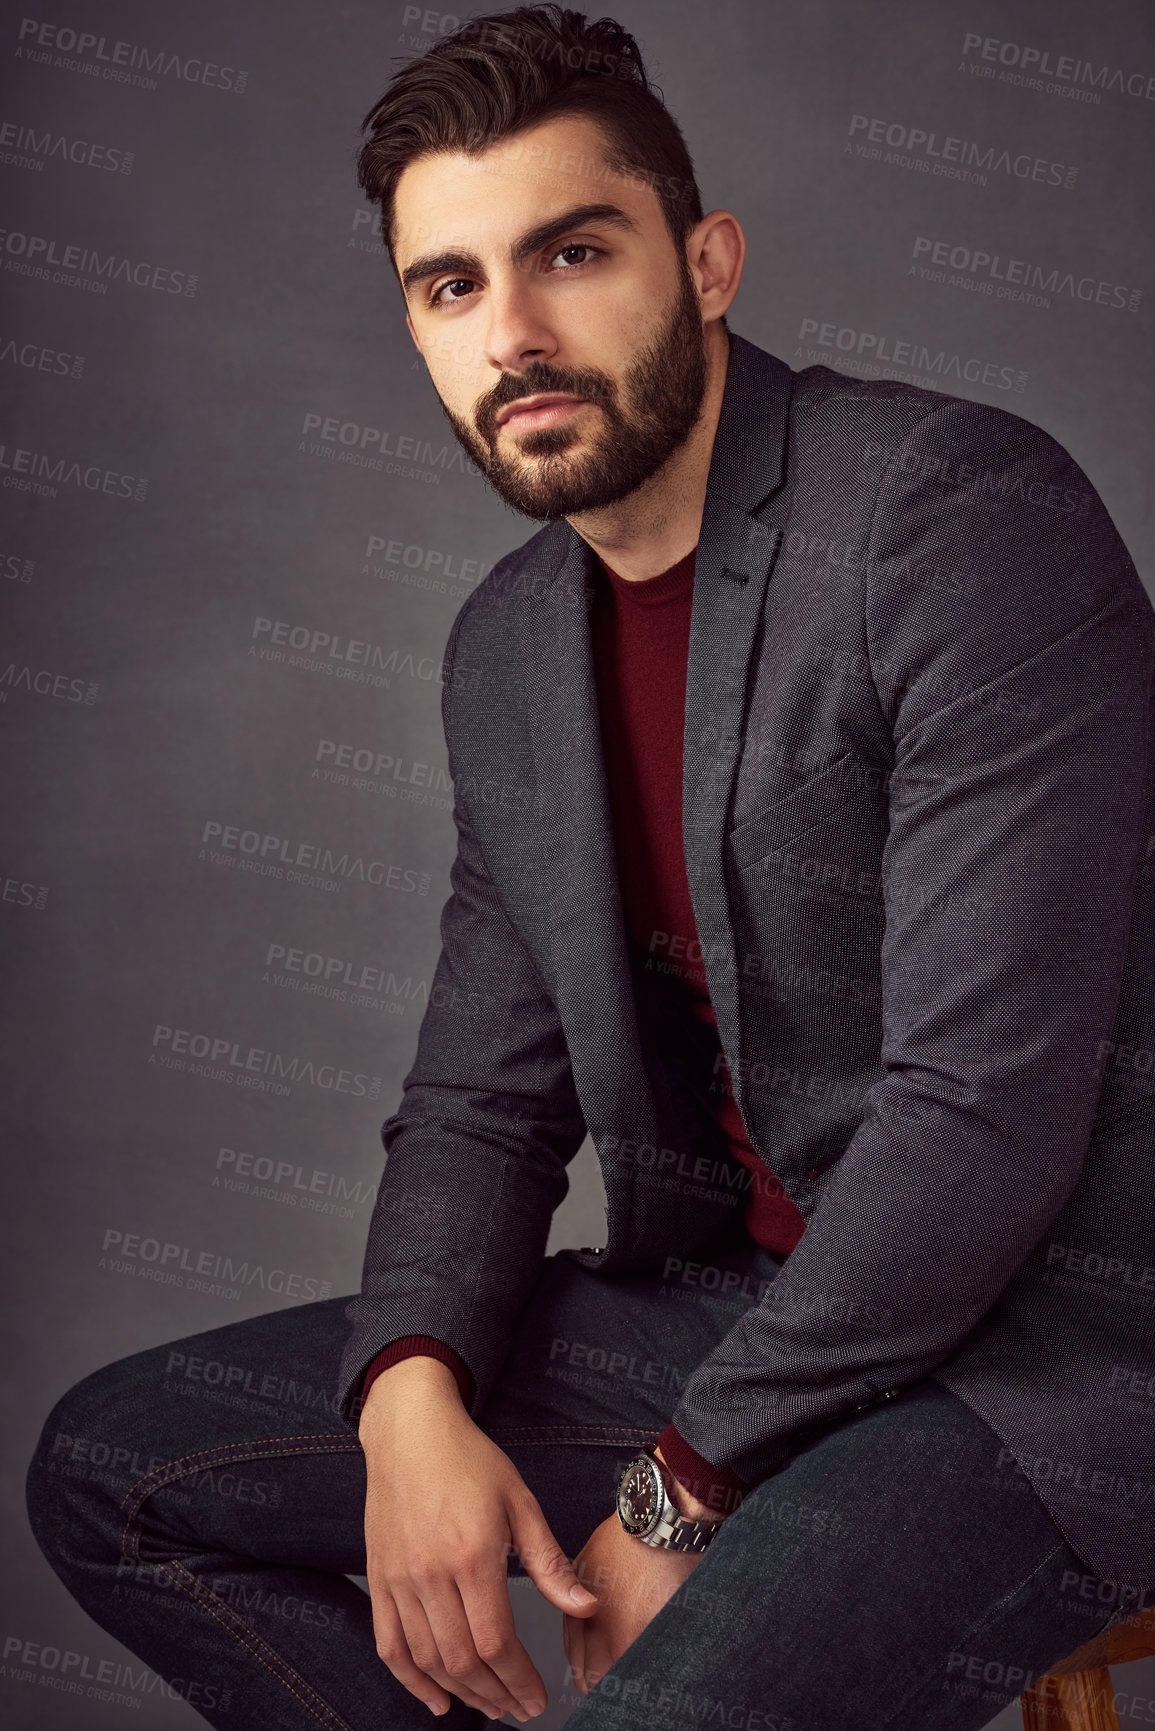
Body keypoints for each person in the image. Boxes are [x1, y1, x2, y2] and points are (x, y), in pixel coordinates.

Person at [27, 7, 1155, 1728]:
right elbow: (482, 1102)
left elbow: (978, 1120)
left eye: (572, 251)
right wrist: (409, 1398)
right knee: (112, 1469)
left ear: (705, 263)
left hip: (1047, 1366)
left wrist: (673, 1486)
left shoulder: (953, 518)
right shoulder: (509, 649)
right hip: (743, 1319)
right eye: (452, 286)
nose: (518, 335)